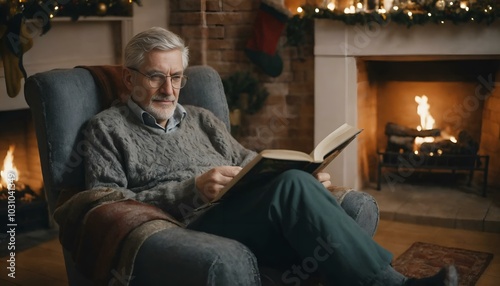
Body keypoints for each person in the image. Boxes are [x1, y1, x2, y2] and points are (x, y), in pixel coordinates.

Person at [83, 27, 458, 286]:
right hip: (187, 226)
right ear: (129, 78)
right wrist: (191, 188)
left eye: (177, 77)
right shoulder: (107, 128)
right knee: (292, 186)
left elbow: (251, 160)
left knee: (296, 182)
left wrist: (306, 177)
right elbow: (103, 206)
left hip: (240, 213)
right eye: (155, 77)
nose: (169, 89)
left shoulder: (202, 119)